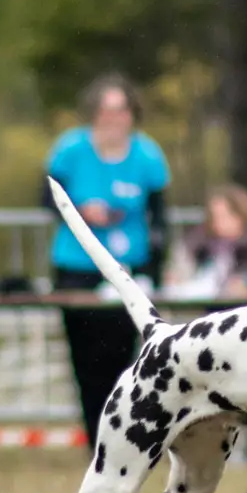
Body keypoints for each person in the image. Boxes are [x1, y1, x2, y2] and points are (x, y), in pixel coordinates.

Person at [42, 72, 170, 450]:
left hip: (128, 267)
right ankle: (93, 442)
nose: (113, 119)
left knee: (125, 361)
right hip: (77, 266)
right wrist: (82, 210)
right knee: (86, 360)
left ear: (132, 114)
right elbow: (45, 198)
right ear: (94, 115)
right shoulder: (70, 149)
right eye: (106, 111)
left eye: (121, 111)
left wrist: (156, 271)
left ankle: (124, 439)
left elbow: (159, 216)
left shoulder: (147, 155)